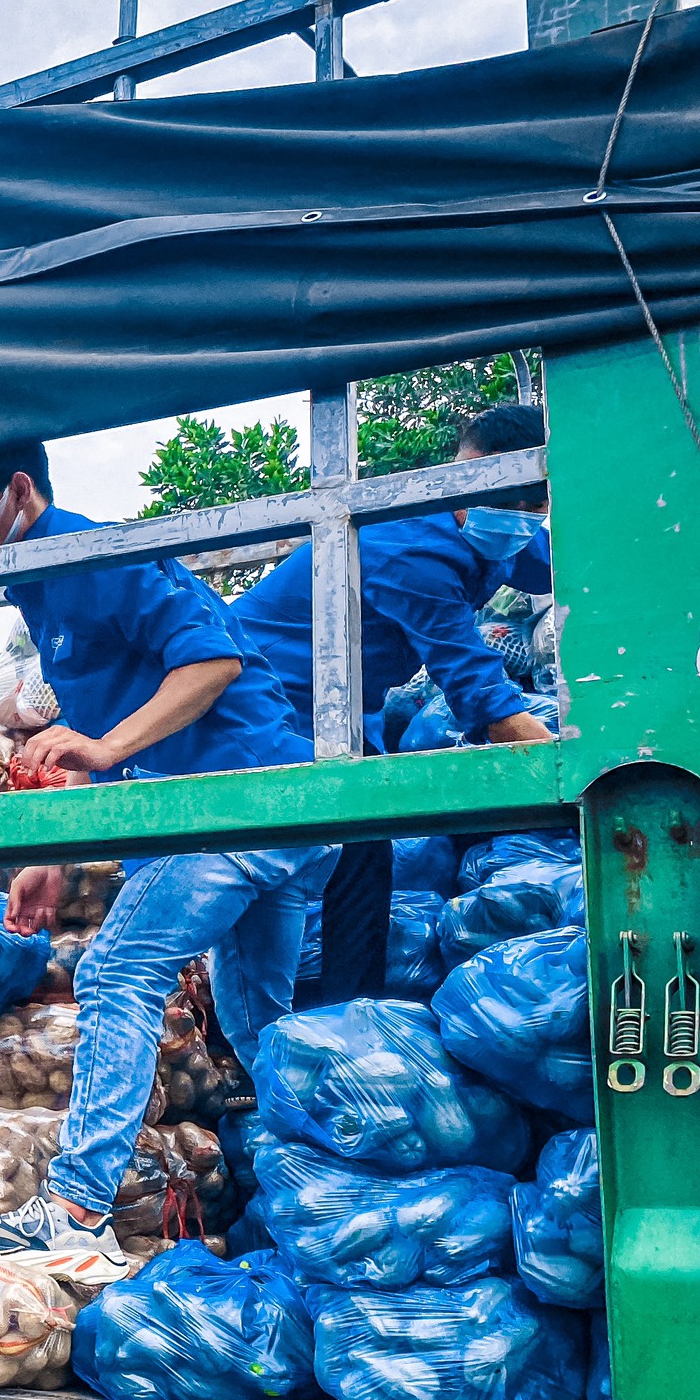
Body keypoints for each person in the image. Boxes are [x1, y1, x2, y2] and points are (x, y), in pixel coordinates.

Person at [0, 442, 335, 1283]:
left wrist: (107, 745)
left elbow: (213, 662)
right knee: (258, 1023)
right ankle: (326, 1194)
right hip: (272, 814)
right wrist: (55, 858)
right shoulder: (36, 584)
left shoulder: (92, 552)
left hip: (237, 798)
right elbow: (87, 746)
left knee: (117, 971)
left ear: (16, 489)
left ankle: (76, 1211)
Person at [231, 403, 553, 1005]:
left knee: (356, 844)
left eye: (535, 506)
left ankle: (338, 1010)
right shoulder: (411, 545)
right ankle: (334, 1022)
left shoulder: (495, 524)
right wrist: (580, 771)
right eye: (512, 501)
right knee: (342, 843)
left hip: (344, 710)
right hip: (268, 696)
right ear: (466, 470)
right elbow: (480, 692)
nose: (522, 519)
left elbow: (554, 564)